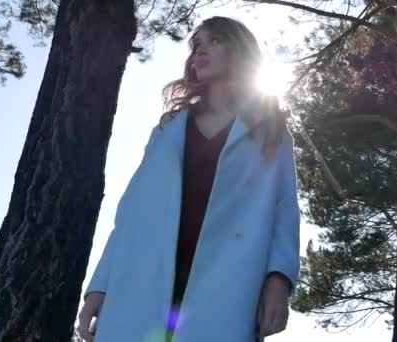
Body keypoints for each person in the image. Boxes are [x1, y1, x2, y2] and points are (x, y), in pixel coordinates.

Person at [76, 16, 300, 342]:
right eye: (196, 45)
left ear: (240, 51)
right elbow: (129, 216)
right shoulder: (167, 130)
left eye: (214, 41)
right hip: (139, 285)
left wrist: (279, 280)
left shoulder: (271, 132)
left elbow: (285, 210)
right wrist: (98, 288)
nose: (200, 51)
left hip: (228, 288)